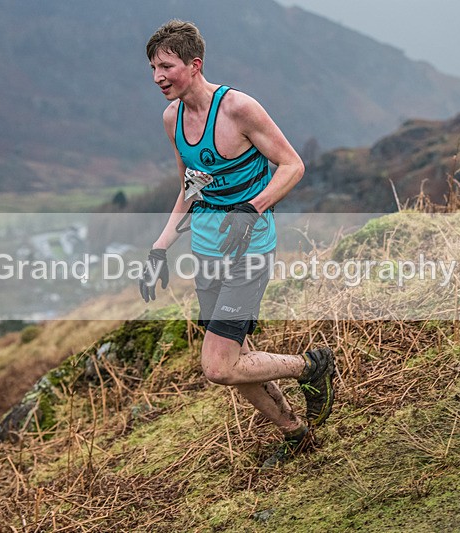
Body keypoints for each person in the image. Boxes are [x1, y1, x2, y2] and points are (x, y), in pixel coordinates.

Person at [141, 19, 336, 468]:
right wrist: (159, 247)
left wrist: (253, 207)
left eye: (166, 66)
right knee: (238, 358)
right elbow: (190, 189)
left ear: (195, 64)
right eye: (153, 68)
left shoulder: (239, 109)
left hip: (249, 250)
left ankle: (313, 366)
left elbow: (292, 165)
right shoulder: (172, 119)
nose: (158, 77)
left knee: (217, 366)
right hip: (206, 252)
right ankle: (296, 433)